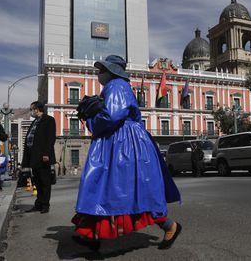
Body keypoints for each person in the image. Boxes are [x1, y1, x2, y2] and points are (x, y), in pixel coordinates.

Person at [72, 55, 182, 251]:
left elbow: (111, 116)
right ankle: (92, 234)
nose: (99, 74)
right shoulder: (118, 86)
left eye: (102, 70)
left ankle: (169, 225)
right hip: (123, 142)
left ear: (112, 72)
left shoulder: (115, 85)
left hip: (123, 143)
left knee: (115, 188)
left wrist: (90, 120)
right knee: (119, 189)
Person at [22, 101, 56, 214]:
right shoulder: (35, 121)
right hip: (33, 156)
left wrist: (46, 153)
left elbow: (50, 138)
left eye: (32, 109)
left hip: (43, 156)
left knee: (45, 181)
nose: (31, 111)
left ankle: (45, 205)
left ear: (37, 109)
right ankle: (39, 203)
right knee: (37, 181)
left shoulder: (49, 120)